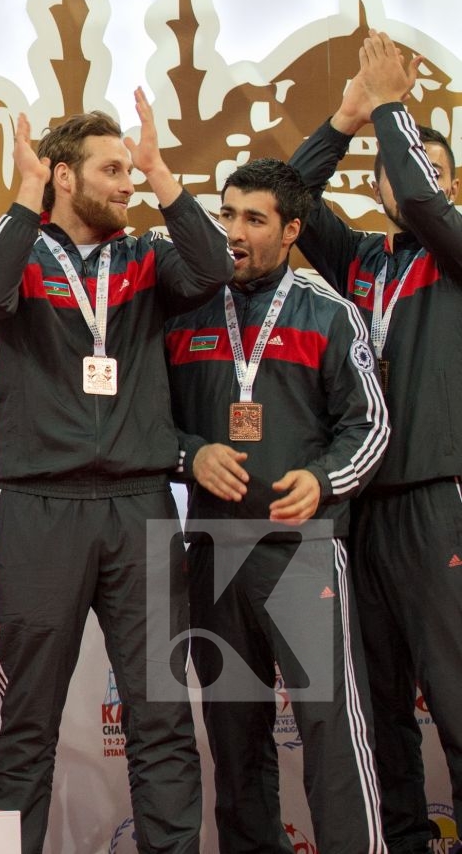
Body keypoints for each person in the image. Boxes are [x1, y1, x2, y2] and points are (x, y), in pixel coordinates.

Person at [0, 101, 229, 854]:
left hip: (140, 508)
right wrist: (21, 195)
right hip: (40, 508)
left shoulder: (148, 255)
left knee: (162, 720)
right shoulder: (20, 252)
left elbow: (213, 265)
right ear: (62, 176)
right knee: (27, 725)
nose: (125, 185)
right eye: (111, 171)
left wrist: (160, 173)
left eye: (128, 170)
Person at [164, 156, 386, 853]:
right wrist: (189, 453)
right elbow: (142, 425)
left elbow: (371, 425)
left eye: (253, 219)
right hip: (211, 553)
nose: (233, 232)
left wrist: (323, 480)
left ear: (292, 229)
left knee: (331, 735)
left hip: (302, 552)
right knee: (235, 743)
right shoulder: (182, 316)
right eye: (226, 214)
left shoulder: (331, 314)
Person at [288, 30, 462, 852]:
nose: (400, 181)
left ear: (448, 179)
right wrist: (347, 118)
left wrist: (397, 105)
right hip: (361, 506)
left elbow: (428, 207)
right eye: (389, 169)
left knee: (456, 692)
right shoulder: (363, 260)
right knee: (380, 696)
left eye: (418, 166)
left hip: (440, 496)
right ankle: (407, 839)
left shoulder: (455, 250)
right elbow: (287, 202)